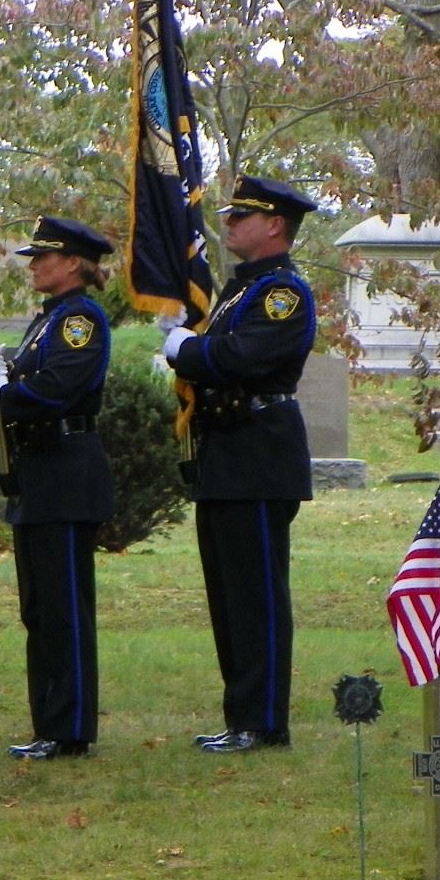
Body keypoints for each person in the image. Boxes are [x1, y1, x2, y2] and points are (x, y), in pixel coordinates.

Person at [162, 175, 319, 754]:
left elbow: (243, 356)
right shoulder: (239, 291)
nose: (228, 225)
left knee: (257, 596)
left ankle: (264, 721)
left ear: (274, 225)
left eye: (241, 217)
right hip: (227, 451)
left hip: (257, 451)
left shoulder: (283, 293)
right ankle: (241, 716)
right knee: (229, 597)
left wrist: (188, 350)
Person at [0, 217, 115, 761]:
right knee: (40, 608)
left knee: (63, 609)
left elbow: (58, 389)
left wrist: (7, 392)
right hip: (41, 474)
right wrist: (7, 374)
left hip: (65, 474)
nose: (34, 265)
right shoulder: (50, 319)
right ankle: (50, 724)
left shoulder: (79, 318)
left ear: (74, 264)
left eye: (44, 257)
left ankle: (71, 727)